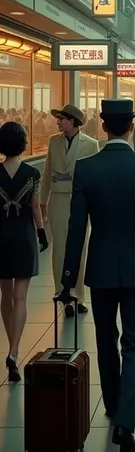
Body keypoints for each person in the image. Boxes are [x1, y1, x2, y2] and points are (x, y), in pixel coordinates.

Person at [60, 99, 135, 452]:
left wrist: (68, 278)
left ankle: (112, 402)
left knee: (106, 340)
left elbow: (77, 229)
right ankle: (126, 422)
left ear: (103, 127)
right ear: (132, 127)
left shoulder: (86, 169)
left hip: (100, 268)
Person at [0, 122, 48, 382]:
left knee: (4, 296)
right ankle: (14, 349)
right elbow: (35, 208)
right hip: (23, 236)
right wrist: (41, 233)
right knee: (21, 297)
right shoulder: (32, 173)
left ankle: (11, 348)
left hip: (1, 237)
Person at [40, 104, 99, 316]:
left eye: (61, 118)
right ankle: (62, 292)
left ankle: (79, 296)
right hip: (57, 199)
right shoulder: (53, 142)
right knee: (60, 250)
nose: (58, 121)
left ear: (72, 121)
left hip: (80, 201)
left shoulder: (90, 144)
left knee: (80, 249)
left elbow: (94, 176)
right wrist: (42, 204)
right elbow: (47, 172)